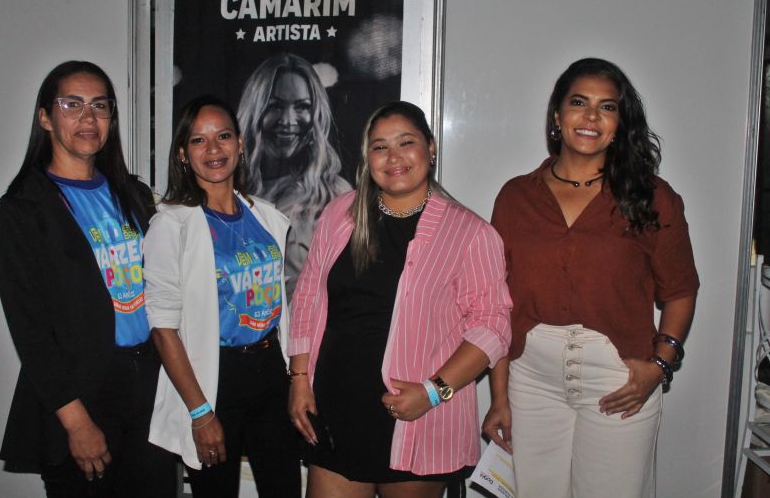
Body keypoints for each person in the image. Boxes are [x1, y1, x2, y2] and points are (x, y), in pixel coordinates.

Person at [482, 58, 699, 498]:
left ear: (620, 123)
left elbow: (680, 291)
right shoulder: (516, 196)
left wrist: (659, 365)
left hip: (618, 377)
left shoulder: (652, 197)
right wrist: (498, 396)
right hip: (531, 378)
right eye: (579, 102)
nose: (592, 117)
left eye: (608, 107)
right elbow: (497, 303)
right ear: (557, 115)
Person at [287, 101, 512, 498]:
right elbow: (307, 297)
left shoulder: (470, 233)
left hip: (418, 418)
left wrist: (433, 392)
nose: (393, 157)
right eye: (380, 147)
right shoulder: (339, 214)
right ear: (367, 157)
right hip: (335, 410)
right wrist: (299, 379)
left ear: (430, 147)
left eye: (406, 142)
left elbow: (492, 327)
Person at [0, 61, 176, 497]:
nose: (88, 118)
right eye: (72, 105)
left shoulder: (134, 195)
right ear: (45, 118)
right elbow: (30, 331)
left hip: (149, 385)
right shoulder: (21, 209)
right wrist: (76, 422)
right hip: (82, 393)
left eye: (100, 106)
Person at [144, 95, 301, 497]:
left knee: (285, 488)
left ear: (241, 143)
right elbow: (163, 329)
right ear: (183, 154)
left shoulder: (264, 215)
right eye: (198, 140)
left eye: (224, 136)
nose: (213, 149)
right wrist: (200, 413)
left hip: (270, 369)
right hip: (214, 379)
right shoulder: (171, 225)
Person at [237, 53, 351, 295]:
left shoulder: (334, 195)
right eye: (275, 106)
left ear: (316, 113)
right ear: (255, 111)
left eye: (302, 107)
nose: (288, 121)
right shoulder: (229, 191)